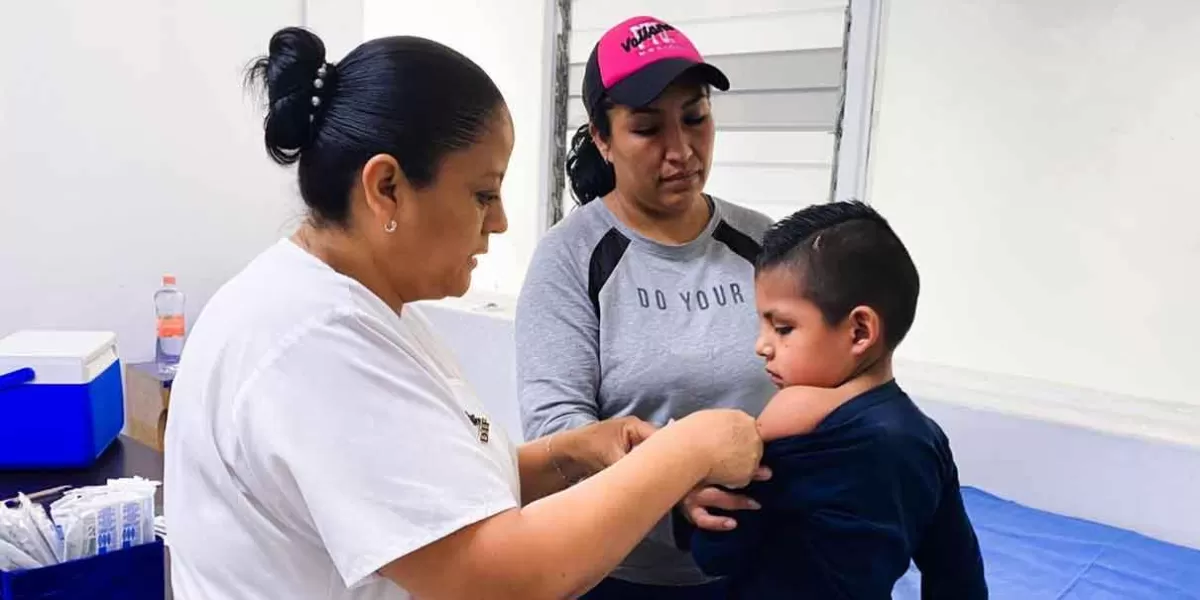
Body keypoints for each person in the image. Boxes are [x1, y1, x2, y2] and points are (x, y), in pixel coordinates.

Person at [162, 27, 766, 600]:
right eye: (483, 193)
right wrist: (689, 449)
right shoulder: (314, 343)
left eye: (695, 117)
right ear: (387, 188)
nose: (500, 221)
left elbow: (447, 491)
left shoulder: (368, 311)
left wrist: (574, 453)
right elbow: (497, 578)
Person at [515, 14, 814, 599]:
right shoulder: (570, 258)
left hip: (766, 561)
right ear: (602, 138)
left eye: (696, 118)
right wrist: (671, 481)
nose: (681, 150)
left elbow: (817, 373)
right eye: (648, 129)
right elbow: (560, 430)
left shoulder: (764, 244)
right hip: (626, 573)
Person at [679, 201, 990, 598]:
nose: (762, 346)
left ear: (860, 331)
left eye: (783, 328)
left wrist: (704, 475)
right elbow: (957, 572)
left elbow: (716, 554)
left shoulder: (791, 427)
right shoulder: (926, 439)